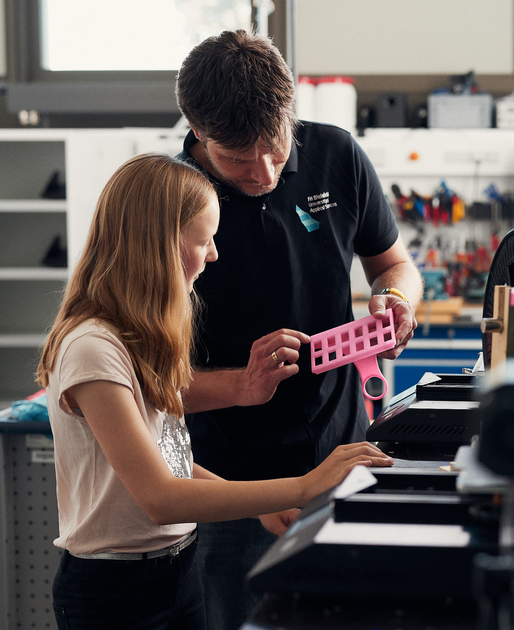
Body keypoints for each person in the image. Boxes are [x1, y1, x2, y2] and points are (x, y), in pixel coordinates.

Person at [36, 153, 393, 630]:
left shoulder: (136, 334)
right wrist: (305, 485)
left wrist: (270, 504)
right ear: (158, 245)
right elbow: (160, 496)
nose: (213, 255)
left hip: (177, 567)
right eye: (203, 240)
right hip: (114, 590)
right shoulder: (92, 348)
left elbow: (171, 460)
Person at [173, 30, 423, 629]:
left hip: (343, 453)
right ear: (196, 130)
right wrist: (240, 384)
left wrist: (394, 300)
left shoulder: (335, 154)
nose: (261, 172)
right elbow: (144, 384)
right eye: (237, 158)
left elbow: (394, 264)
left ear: (292, 115)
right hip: (226, 483)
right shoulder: (168, 201)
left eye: (276, 149)